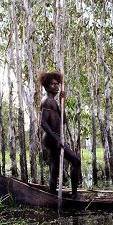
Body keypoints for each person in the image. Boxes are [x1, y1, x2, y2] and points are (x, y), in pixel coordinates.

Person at [39, 71, 81, 199]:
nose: (56, 86)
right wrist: (57, 138)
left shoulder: (54, 101)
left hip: (54, 137)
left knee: (54, 169)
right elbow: (43, 123)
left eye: (57, 84)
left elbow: (64, 120)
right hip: (52, 138)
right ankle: (74, 196)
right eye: (52, 84)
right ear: (46, 86)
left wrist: (63, 102)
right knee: (76, 161)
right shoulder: (47, 101)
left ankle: (51, 196)